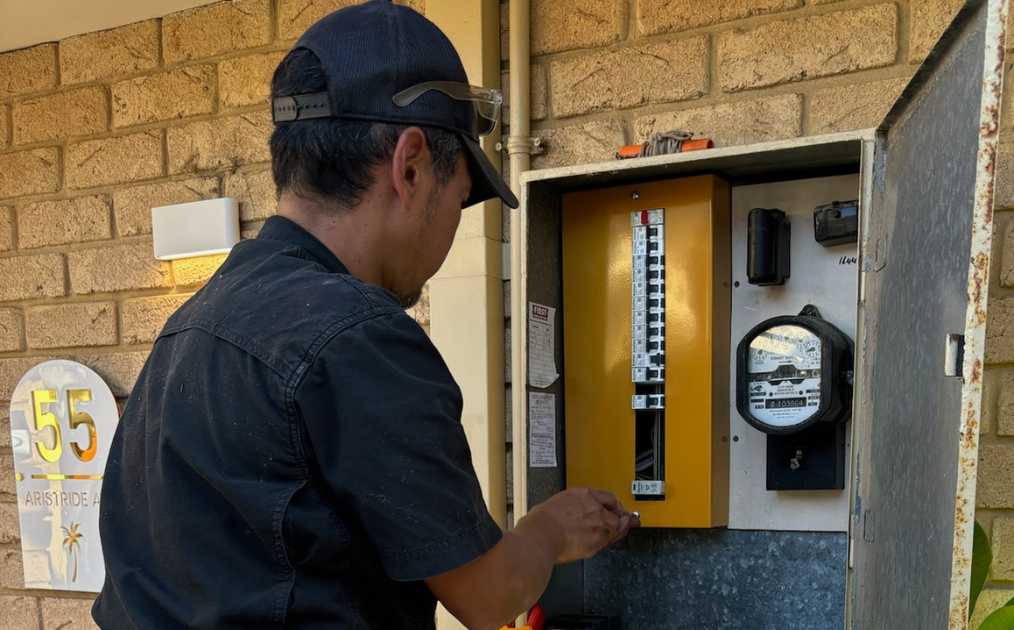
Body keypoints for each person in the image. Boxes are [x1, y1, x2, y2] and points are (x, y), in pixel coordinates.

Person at [92, 2, 638, 628]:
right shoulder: (360, 336)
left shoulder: (193, 322)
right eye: (461, 197)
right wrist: (548, 529)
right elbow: (490, 596)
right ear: (409, 167)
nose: (455, 229)